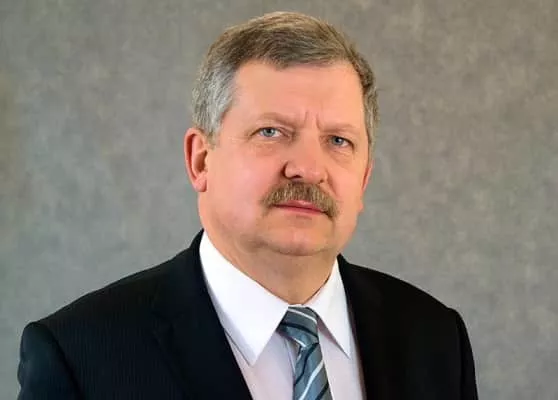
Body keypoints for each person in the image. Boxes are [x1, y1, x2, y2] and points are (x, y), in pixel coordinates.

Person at [17, 11, 478, 400]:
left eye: (338, 140)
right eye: (271, 132)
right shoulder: (80, 358)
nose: (308, 168)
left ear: (363, 179)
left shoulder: (435, 338)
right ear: (201, 160)